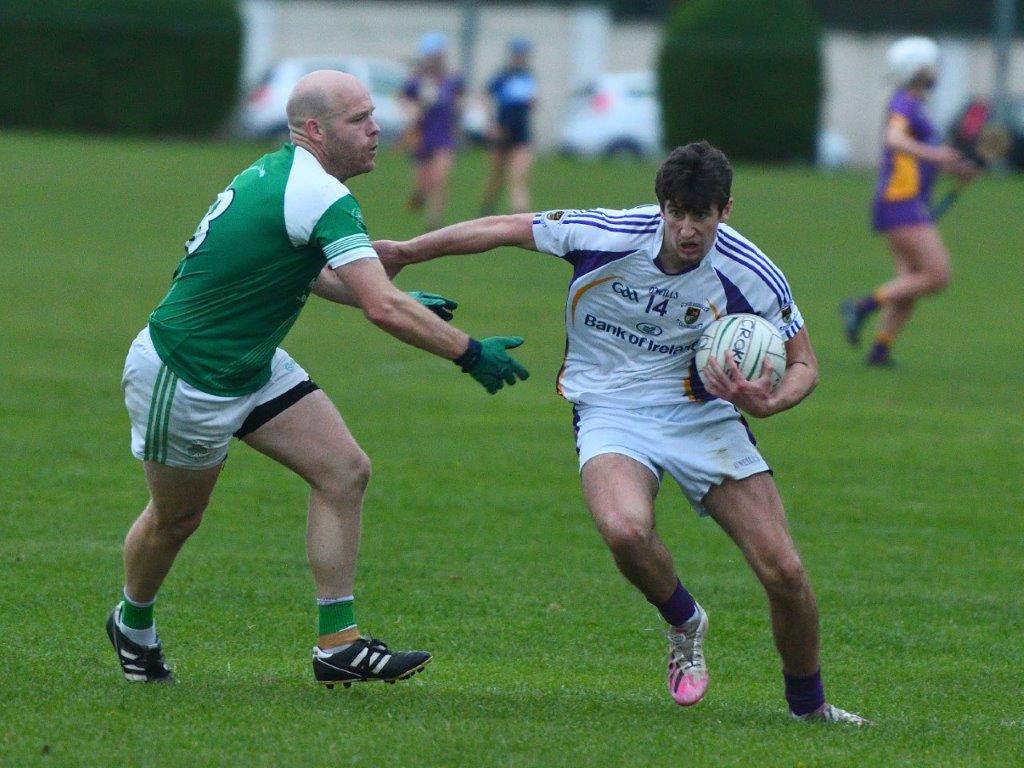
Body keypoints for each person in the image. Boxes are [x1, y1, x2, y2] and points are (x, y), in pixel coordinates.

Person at [375, 141, 870, 724]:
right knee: (624, 530)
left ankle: (810, 712)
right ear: (661, 204)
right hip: (610, 407)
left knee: (784, 571)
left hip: (700, 413)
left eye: (701, 216)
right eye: (676, 212)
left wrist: (769, 402)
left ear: (725, 211)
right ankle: (685, 623)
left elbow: (806, 364)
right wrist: (406, 251)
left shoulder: (751, 272)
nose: (686, 228)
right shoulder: (607, 233)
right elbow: (502, 227)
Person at [107, 70, 529, 687]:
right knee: (177, 520)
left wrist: (378, 293)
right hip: (188, 373)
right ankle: (132, 623)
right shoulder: (317, 194)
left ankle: (338, 643)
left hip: (251, 363)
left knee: (344, 470)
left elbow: (305, 273)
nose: (376, 128)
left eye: (372, 116)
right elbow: (385, 307)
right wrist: (468, 351)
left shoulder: (290, 178)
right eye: (359, 120)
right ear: (315, 130)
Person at [841, 36, 977, 366]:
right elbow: (894, 139)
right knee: (937, 275)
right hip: (900, 202)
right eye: (931, 64)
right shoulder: (903, 103)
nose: (936, 70)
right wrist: (936, 153)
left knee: (911, 280)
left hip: (904, 201)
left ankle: (880, 350)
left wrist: (954, 167)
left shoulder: (917, 107)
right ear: (917, 68)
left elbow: (917, 159)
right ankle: (862, 307)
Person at [400, 32, 465, 231]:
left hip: (444, 134)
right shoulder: (417, 81)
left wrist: (458, 112)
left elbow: (460, 101)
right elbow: (404, 100)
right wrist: (414, 110)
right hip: (422, 134)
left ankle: (434, 222)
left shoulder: (452, 80)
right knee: (423, 181)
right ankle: (419, 195)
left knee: (439, 178)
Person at [479, 36, 538, 215]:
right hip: (502, 131)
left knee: (519, 176)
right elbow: (486, 97)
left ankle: (521, 213)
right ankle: (487, 207)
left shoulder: (529, 76)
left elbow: (532, 103)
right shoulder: (502, 77)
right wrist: (492, 124)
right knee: (496, 176)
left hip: (522, 133)